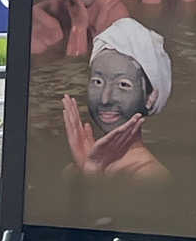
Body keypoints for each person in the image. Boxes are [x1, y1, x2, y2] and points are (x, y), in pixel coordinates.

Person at [61, 17, 171, 182]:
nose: (105, 99)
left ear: (150, 97)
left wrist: (92, 173)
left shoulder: (151, 176)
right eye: (97, 82)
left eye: (123, 85)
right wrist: (90, 168)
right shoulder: (77, 167)